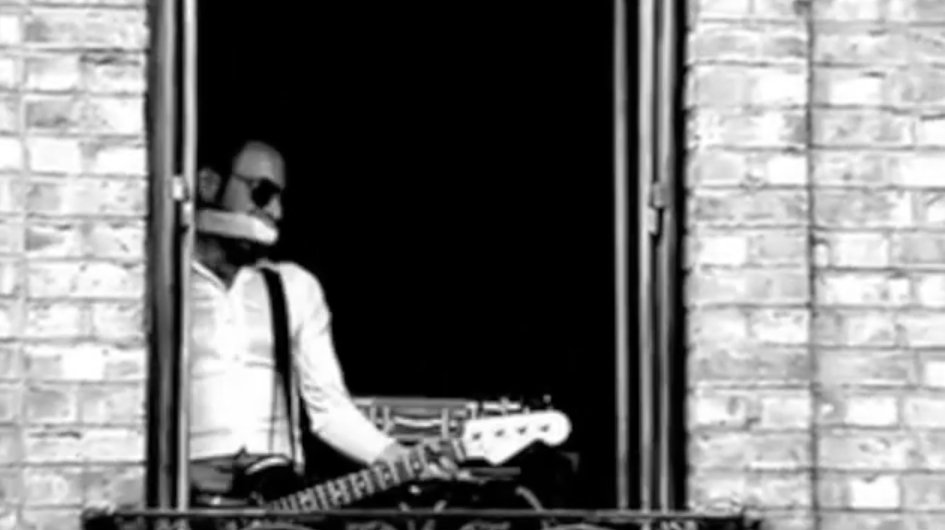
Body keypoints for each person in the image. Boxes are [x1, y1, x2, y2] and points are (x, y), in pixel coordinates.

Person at [187, 135, 447, 507]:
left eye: (280, 199)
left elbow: (329, 410)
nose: (275, 212)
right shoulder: (168, 285)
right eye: (262, 193)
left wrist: (403, 459)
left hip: (277, 495)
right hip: (183, 496)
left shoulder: (294, 287)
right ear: (209, 185)